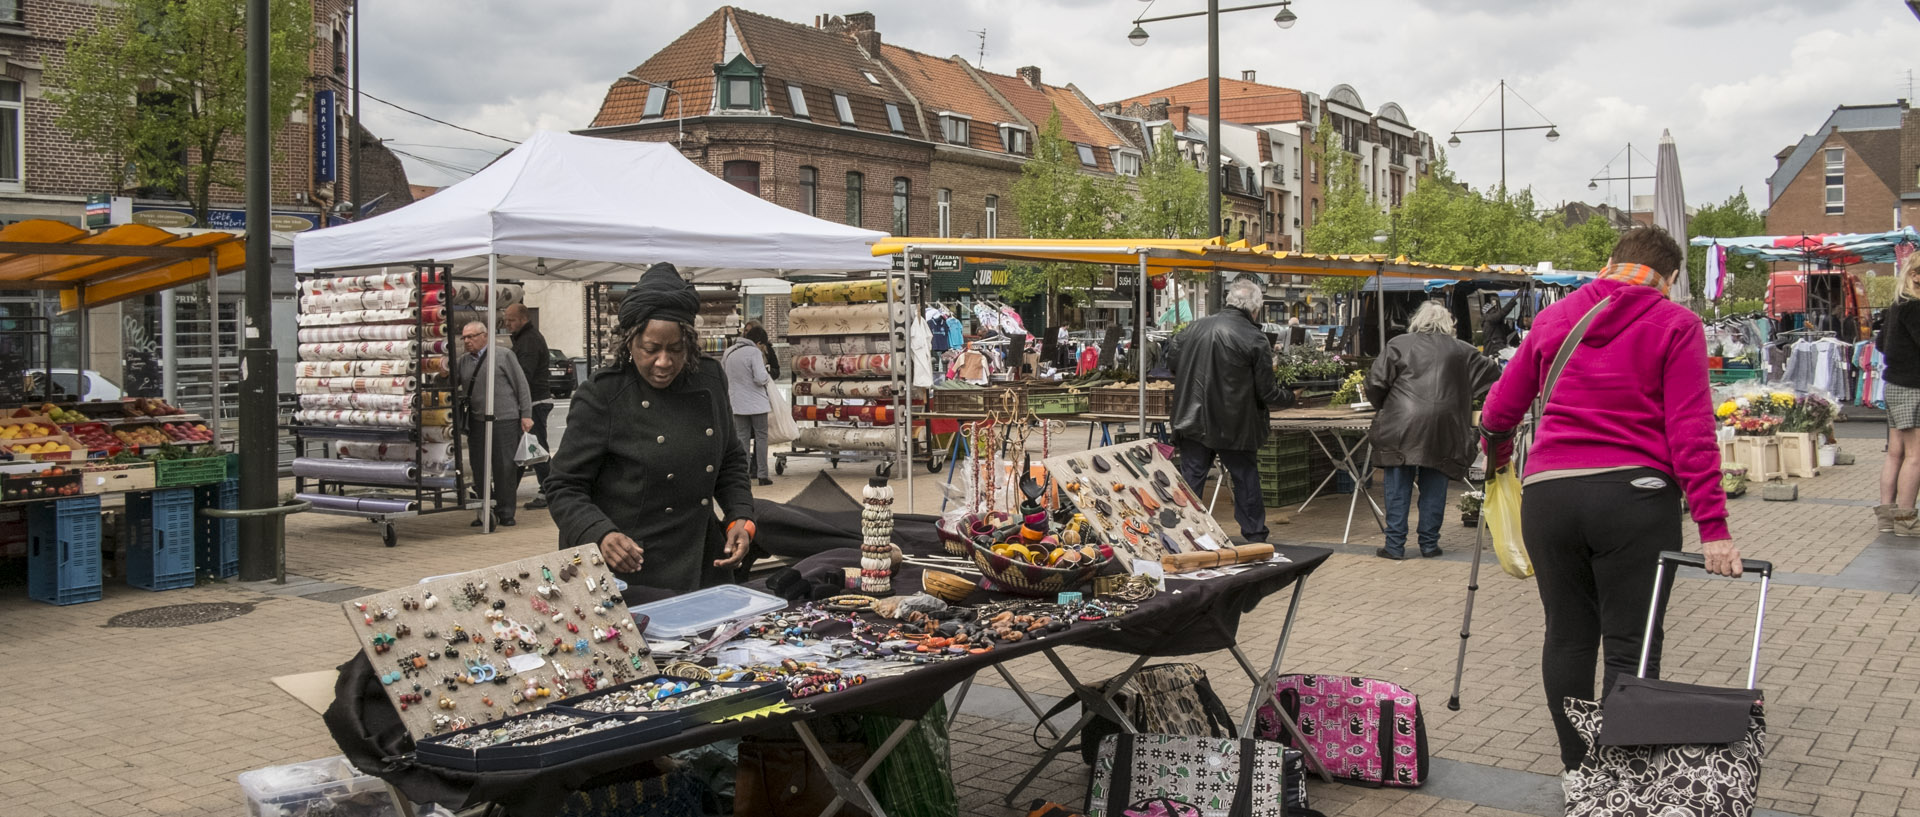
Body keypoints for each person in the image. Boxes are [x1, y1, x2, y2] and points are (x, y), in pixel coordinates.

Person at [1479, 226, 1744, 791]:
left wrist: (1499, 459)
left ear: (1610, 263)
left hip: (1550, 495)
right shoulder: (1676, 323)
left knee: (1568, 636)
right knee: (1631, 641)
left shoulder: (1555, 319)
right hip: (1635, 497)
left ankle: (1578, 770)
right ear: (1669, 278)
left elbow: (1498, 410)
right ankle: (1620, 773)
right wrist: (1714, 527)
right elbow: (1691, 430)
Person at [545, 262, 755, 595]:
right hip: (631, 569)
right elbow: (563, 485)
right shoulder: (603, 394)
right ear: (630, 344)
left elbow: (729, 459)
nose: (663, 362)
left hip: (702, 562)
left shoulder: (710, 379)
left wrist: (740, 517)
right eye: (650, 349)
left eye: (676, 349)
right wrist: (600, 532)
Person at [1365, 300, 1501, 560]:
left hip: (1402, 424)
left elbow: (1376, 382)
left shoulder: (1399, 344)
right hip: (1445, 426)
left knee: (1397, 486)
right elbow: (1493, 373)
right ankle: (1429, 544)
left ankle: (1394, 545)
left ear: (1418, 320)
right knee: (1435, 486)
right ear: (1448, 324)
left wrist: (1384, 407)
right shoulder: (1464, 350)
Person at [1167, 277, 1297, 542]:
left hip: (1192, 419)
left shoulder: (1192, 328)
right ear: (1255, 308)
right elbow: (1267, 391)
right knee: (1245, 478)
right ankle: (1255, 535)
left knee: (1191, 480)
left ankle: (1181, 535)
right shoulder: (1254, 337)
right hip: (1234, 424)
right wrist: (1291, 397)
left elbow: (1172, 364)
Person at [456, 321, 534, 528]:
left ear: (484, 336)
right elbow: (450, 384)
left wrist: (526, 414)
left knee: (504, 468)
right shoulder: (463, 361)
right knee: (479, 468)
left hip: (504, 420)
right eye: (464, 337)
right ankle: (484, 509)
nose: (467, 341)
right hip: (477, 421)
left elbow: (521, 385)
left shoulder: (503, 355)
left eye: (471, 336)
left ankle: (506, 512)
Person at [1875, 253, 1920, 536]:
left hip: (1893, 385)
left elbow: (1880, 343)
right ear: (1915, 275)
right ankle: (1906, 520)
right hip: (1913, 386)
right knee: (1915, 456)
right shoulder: (1915, 307)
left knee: (1895, 454)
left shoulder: (1896, 305)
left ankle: (1887, 517)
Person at [502, 303, 554, 510]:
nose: (507, 324)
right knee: (525, 448)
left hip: (534, 401)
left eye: (511, 320)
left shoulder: (529, 341)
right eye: (505, 320)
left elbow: (523, 375)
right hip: (532, 401)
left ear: (523, 319)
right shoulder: (524, 339)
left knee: (536, 448)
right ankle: (507, 490)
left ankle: (549, 490)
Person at [723, 325, 774, 487]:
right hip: (757, 403)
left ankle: (743, 475)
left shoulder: (729, 352)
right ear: (758, 342)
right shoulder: (754, 353)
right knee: (761, 437)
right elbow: (760, 378)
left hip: (736, 403)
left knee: (742, 439)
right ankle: (762, 475)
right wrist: (766, 375)